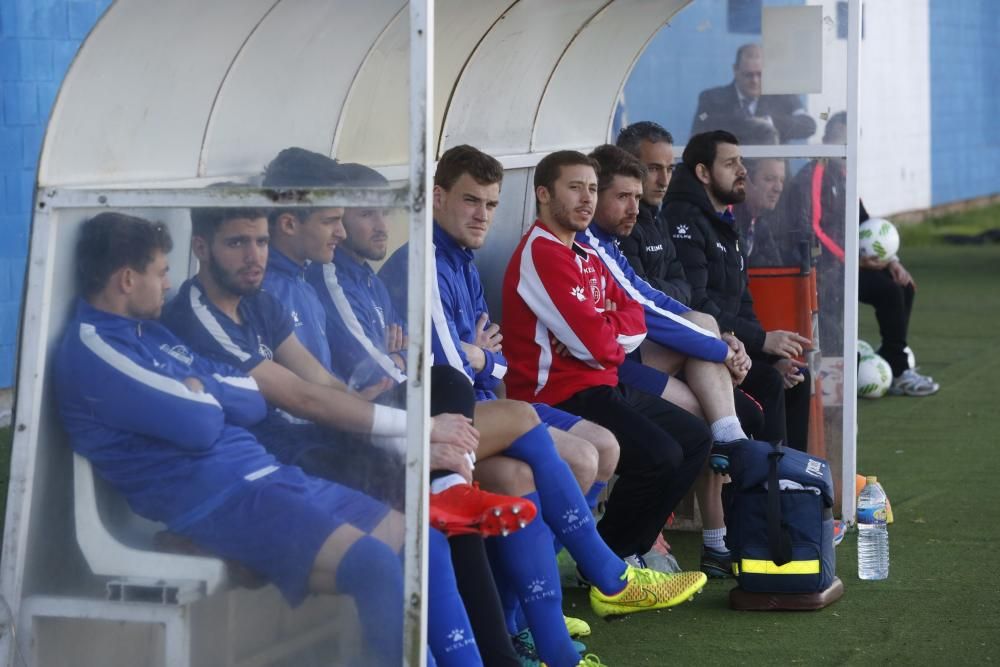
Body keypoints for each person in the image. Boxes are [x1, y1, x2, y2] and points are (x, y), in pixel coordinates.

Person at [57, 212, 415, 666]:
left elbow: (252, 401)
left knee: (411, 539)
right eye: (162, 272)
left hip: (266, 475)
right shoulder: (94, 347)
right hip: (222, 500)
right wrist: (205, 392)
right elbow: (204, 422)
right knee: (374, 566)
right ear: (128, 279)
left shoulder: (151, 332)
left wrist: (202, 389)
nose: (168, 284)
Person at [502, 149, 719, 594]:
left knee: (695, 438)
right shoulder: (542, 252)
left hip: (601, 381)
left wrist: (602, 327)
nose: (586, 199)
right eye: (574, 188)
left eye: (592, 189)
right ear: (544, 194)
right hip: (559, 393)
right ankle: (608, 562)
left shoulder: (583, 249)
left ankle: (619, 549)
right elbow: (597, 344)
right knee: (660, 455)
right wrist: (601, 332)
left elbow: (630, 319)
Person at [581, 143, 774, 577]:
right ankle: (640, 544)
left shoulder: (616, 239)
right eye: (622, 196)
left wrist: (725, 342)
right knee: (703, 423)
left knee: (709, 343)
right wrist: (723, 349)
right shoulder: (587, 245)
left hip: (631, 361)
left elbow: (665, 299)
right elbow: (649, 313)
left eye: (638, 193)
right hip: (609, 374)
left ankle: (716, 531)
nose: (636, 203)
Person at [665, 130, 812, 451]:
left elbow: (742, 300)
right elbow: (696, 301)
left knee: (796, 377)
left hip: (734, 345)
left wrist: (766, 353)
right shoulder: (683, 219)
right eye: (731, 163)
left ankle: (795, 481)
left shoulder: (723, 220)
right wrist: (762, 341)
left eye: (741, 162)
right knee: (771, 383)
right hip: (699, 351)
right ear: (703, 173)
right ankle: (766, 485)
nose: (742, 170)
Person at [783, 113, 938, 396]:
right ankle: (897, 370)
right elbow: (812, 229)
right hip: (824, 271)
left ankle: (895, 360)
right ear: (826, 141)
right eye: (839, 140)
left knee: (902, 286)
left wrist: (892, 261)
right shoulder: (813, 175)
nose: (844, 147)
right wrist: (852, 261)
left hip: (849, 265)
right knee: (888, 293)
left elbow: (864, 222)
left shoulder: (844, 175)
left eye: (850, 141)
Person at [691, 43, 816, 145]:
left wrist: (769, 122)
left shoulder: (783, 97)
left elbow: (808, 125)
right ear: (735, 70)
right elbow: (698, 134)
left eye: (760, 74)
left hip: (773, 173)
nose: (755, 81)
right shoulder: (712, 99)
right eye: (748, 75)